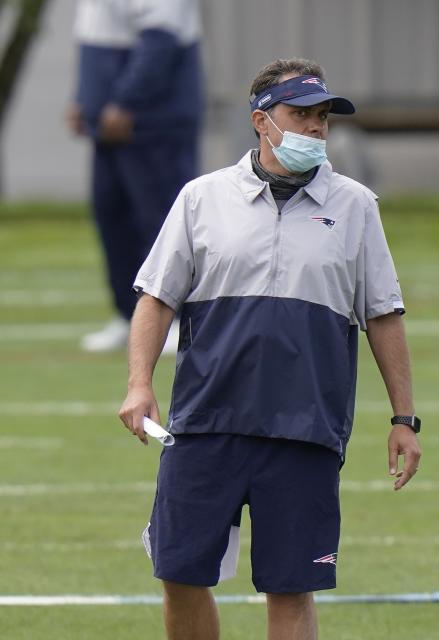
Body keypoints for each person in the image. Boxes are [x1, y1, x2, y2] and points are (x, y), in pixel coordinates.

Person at [117, 58, 422, 640]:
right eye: (299, 115)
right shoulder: (202, 198)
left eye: (322, 118)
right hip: (207, 424)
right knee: (180, 573)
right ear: (262, 120)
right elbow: (156, 298)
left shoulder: (357, 206)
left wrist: (404, 417)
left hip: (306, 428)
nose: (314, 129)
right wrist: (138, 384)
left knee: (290, 588)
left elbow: (382, 314)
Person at [69, 0, 202, 354]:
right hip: (110, 124)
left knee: (162, 222)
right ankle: (129, 315)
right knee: (114, 218)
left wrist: (127, 100)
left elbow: (161, 41)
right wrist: (86, 97)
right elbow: (96, 39)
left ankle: (172, 319)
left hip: (154, 120)